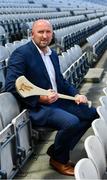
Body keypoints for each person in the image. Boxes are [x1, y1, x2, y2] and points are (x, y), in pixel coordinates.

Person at [5, 19, 99, 176]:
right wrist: (40, 98)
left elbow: (60, 82)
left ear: (52, 34)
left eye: (48, 32)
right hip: (37, 107)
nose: (44, 36)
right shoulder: (21, 54)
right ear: (31, 34)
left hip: (57, 102)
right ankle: (59, 160)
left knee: (91, 113)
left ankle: (57, 151)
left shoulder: (52, 54)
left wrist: (76, 94)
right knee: (71, 122)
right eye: (40, 32)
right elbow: (11, 86)